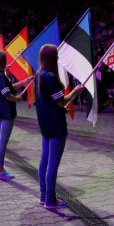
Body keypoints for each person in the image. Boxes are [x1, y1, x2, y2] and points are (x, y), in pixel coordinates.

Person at [34, 44, 84, 209]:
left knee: (44, 161)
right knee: (53, 163)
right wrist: (75, 92)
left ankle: (43, 196)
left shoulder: (38, 75)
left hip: (45, 125)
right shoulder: (50, 77)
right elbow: (62, 102)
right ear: (52, 58)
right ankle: (50, 200)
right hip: (55, 126)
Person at [0, 49, 34, 180]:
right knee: (3, 141)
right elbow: (8, 95)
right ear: (3, 62)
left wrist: (24, 81)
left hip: (0, 109)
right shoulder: (1, 76)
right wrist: (18, 99)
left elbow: (9, 87)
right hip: (6, 110)